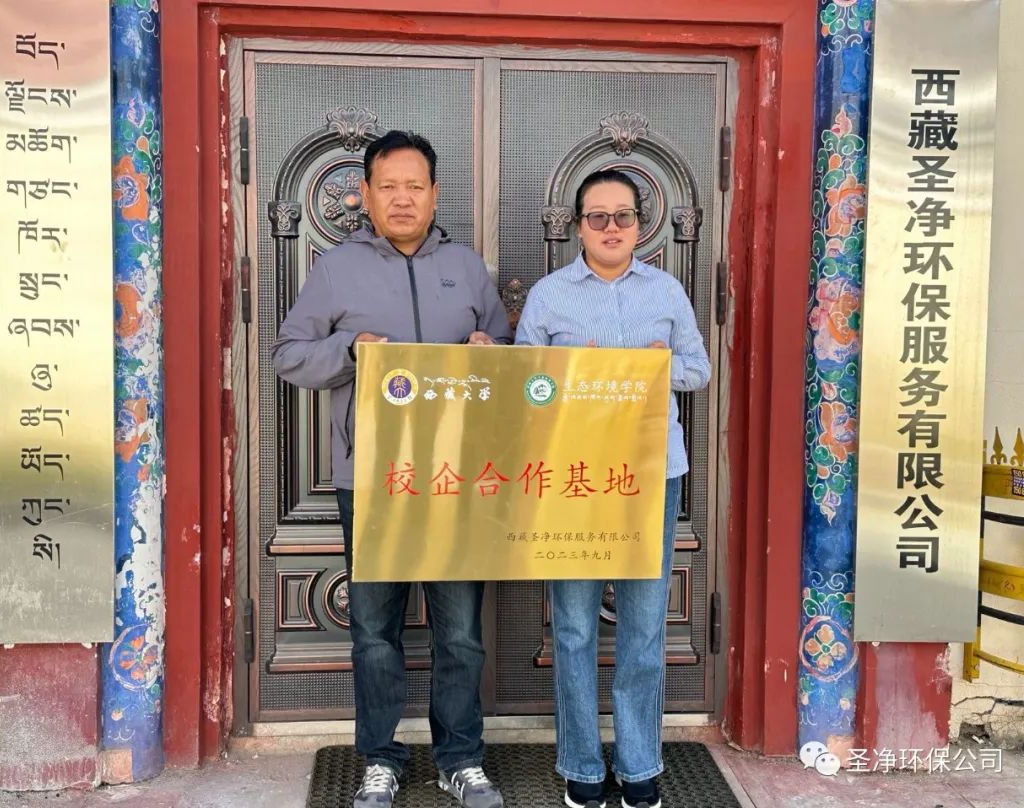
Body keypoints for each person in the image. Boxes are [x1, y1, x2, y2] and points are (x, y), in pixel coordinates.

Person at [271, 130, 511, 808]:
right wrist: (351, 349)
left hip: (456, 478)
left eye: (415, 186)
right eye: (388, 187)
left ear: (434, 194)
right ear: (366, 195)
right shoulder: (336, 270)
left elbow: (508, 354)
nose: (402, 199)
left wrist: (490, 349)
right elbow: (289, 355)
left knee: (460, 632)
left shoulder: (466, 267)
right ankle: (380, 758)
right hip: (374, 478)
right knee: (375, 631)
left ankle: (460, 759)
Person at [515, 169, 711, 808]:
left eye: (622, 216)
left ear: (639, 225)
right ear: (578, 226)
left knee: (644, 625)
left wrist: (656, 366)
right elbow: (525, 386)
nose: (610, 228)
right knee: (573, 626)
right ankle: (580, 763)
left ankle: (639, 763)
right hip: (575, 478)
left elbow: (699, 370)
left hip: (650, 475)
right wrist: (572, 373)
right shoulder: (549, 296)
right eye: (597, 217)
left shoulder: (666, 290)